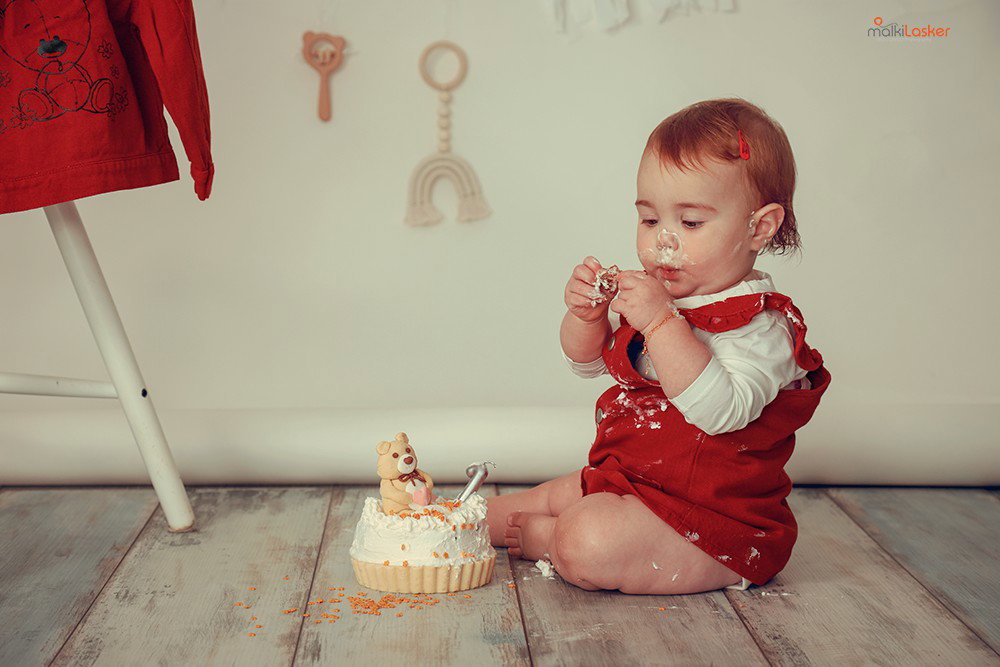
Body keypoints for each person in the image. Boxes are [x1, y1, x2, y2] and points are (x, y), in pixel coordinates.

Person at [486, 98, 831, 594]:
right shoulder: (665, 299)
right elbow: (586, 363)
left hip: (714, 524)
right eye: (650, 220)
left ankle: (553, 541)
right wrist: (586, 317)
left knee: (588, 539)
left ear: (758, 227)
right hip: (628, 482)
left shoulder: (763, 326)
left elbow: (721, 411)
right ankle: (439, 519)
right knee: (521, 504)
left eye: (690, 223)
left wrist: (660, 321)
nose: (663, 242)